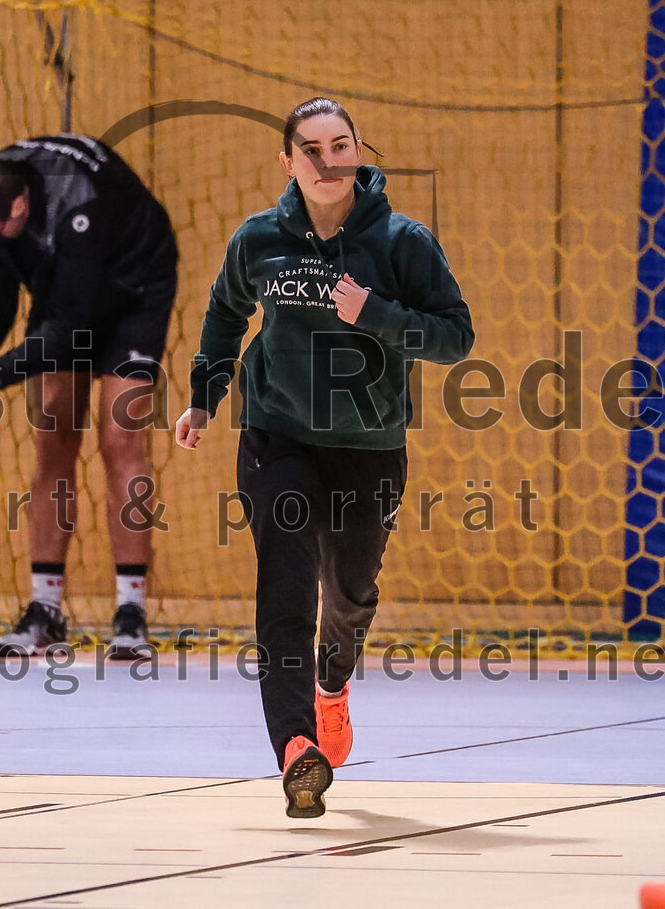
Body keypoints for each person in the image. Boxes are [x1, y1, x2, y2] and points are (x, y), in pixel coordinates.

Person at [175, 97, 473, 817]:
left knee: (350, 594)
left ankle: (331, 687)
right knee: (285, 594)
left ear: (359, 153)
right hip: (276, 438)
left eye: (341, 145)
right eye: (312, 148)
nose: (328, 160)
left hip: (368, 449)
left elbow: (455, 337)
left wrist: (375, 314)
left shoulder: (402, 242)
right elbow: (224, 313)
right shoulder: (260, 240)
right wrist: (205, 395)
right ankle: (295, 750)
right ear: (289, 162)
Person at [0, 134, 178, 660]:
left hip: (135, 287)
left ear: (22, 204)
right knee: (53, 433)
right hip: (66, 288)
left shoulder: (80, 204)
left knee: (120, 437)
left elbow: (68, 330)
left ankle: (131, 613)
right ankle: (45, 611)